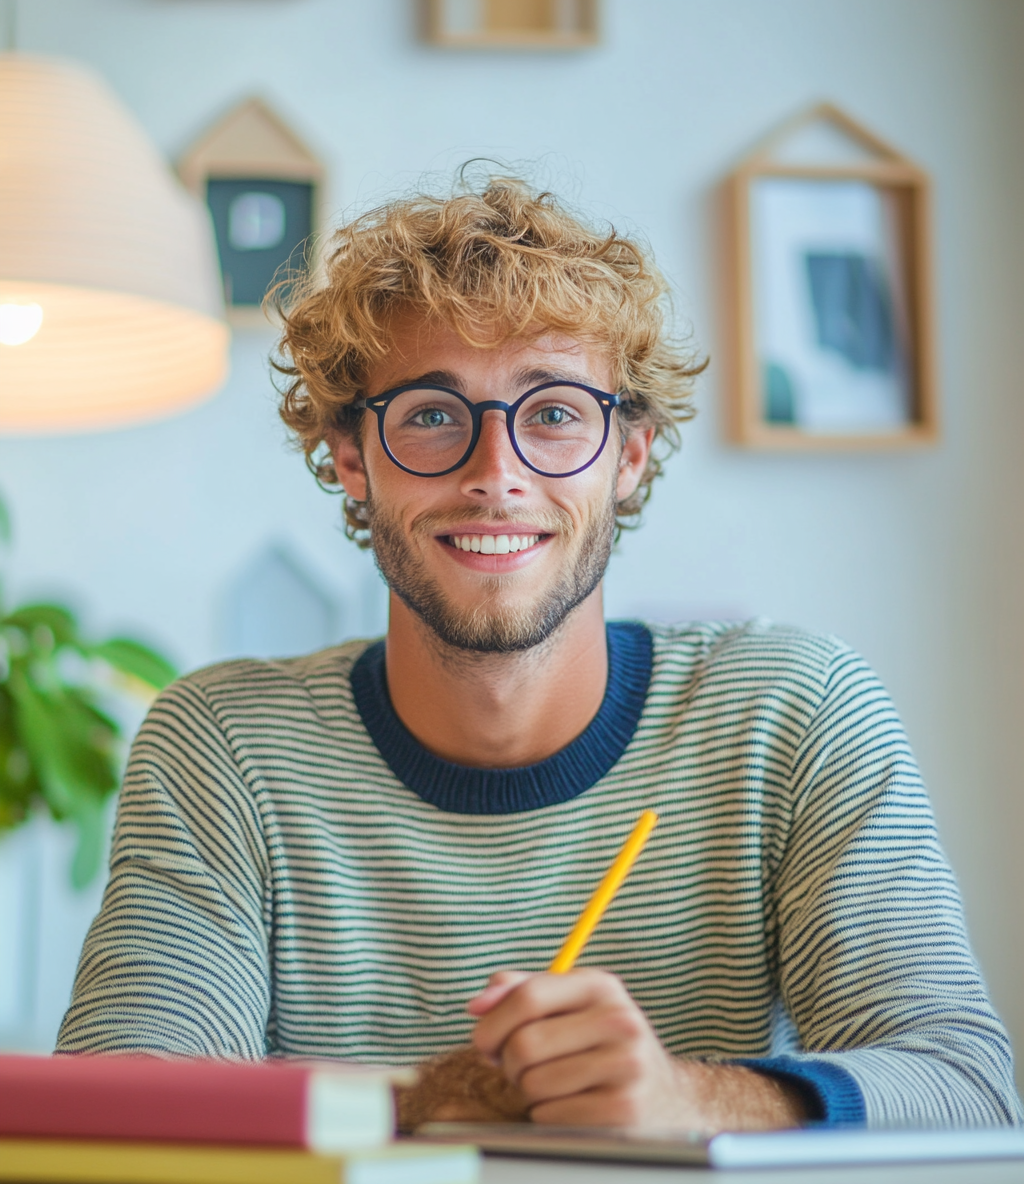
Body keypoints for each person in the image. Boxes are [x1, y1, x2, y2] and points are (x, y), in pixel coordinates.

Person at [58, 175, 1020, 1133]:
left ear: (628, 456)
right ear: (353, 458)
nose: (497, 476)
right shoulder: (226, 746)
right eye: (431, 414)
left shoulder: (790, 712)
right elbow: (115, 1118)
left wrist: (689, 1098)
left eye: (554, 413)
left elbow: (968, 1090)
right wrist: (443, 1105)